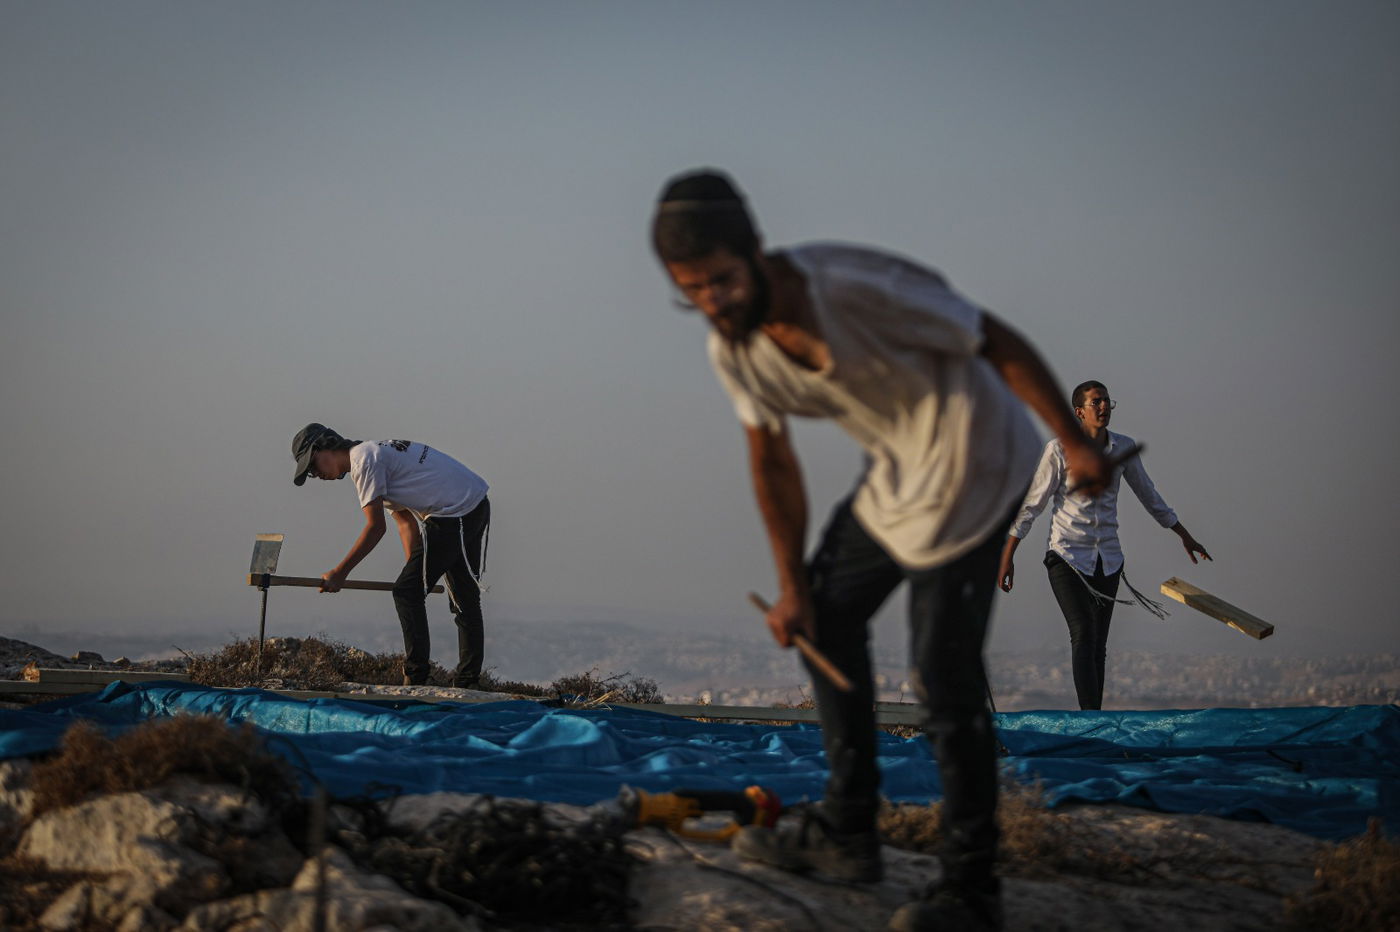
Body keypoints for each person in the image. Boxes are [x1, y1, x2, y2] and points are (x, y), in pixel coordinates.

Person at [649, 168, 1114, 932]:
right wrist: (789, 584)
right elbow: (772, 460)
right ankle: (847, 831)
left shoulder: (854, 282)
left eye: (723, 282)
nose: (714, 305)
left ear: (757, 253)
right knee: (823, 618)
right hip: (896, 474)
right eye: (691, 291)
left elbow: (991, 337)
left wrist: (1071, 442)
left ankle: (971, 889)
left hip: (976, 460)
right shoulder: (733, 350)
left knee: (943, 673)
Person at [997, 381, 1210, 710]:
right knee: (1082, 631)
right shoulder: (1059, 449)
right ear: (1079, 411)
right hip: (1066, 556)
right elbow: (1032, 505)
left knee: (1098, 644)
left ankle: (1097, 719)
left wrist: (1182, 533)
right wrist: (1008, 556)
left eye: (1107, 401)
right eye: (1096, 402)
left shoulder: (1122, 449)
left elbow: (1149, 495)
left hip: (1108, 559)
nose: (1103, 407)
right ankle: (1088, 719)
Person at [291, 423, 491, 688]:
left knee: (407, 593)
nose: (317, 474)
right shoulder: (373, 455)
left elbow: (375, 528)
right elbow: (405, 523)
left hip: (454, 512)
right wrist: (419, 574)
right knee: (459, 597)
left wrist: (340, 573)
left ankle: (417, 678)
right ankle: (467, 681)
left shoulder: (363, 460)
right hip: (470, 505)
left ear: (325, 447)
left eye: (313, 466)